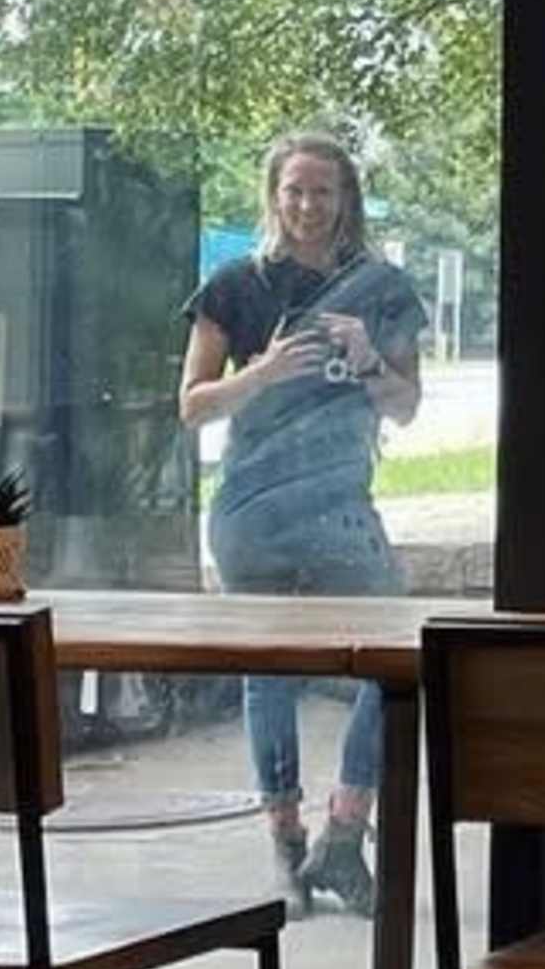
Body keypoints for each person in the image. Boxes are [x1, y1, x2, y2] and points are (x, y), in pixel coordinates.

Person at [181, 131, 424, 907]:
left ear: (345, 198)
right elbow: (190, 405)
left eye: (323, 192)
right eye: (294, 191)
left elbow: (408, 407)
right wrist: (262, 373)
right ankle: (286, 844)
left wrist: (369, 361)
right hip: (252, 511)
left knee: (395, 667)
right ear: (273, 195)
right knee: (268, 680)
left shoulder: (382, 290)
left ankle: (345, 833)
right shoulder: (236, 286)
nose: (308, 207)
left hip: (343, 508)